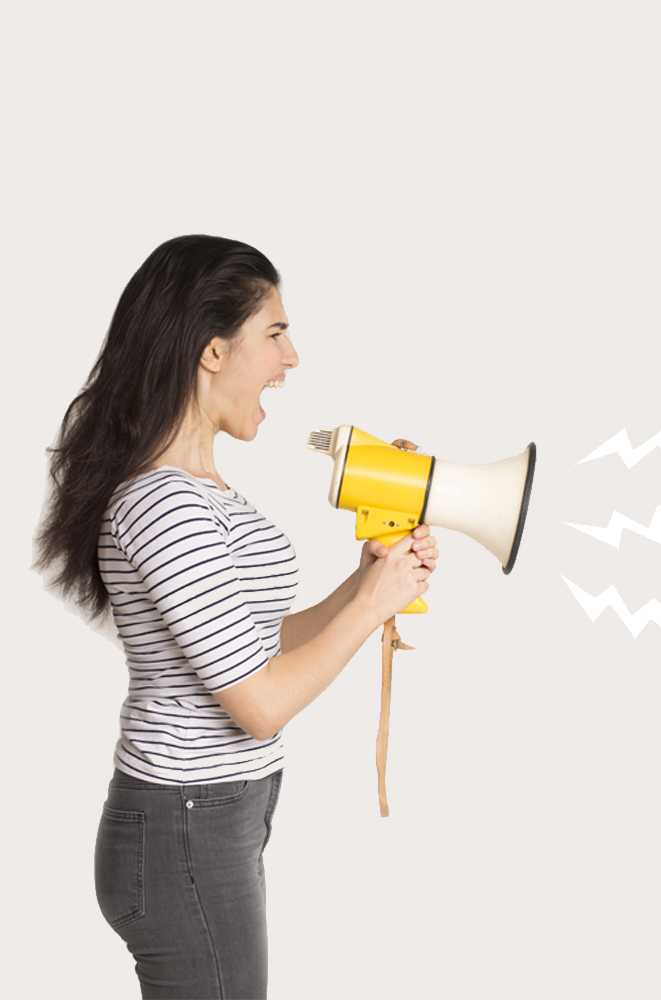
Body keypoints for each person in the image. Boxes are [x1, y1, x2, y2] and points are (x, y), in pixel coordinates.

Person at [36, 234, 438, 999]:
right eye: (276, 333)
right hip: (185, 823)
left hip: (211, 818)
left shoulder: (202, 491)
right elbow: (258, 704)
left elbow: (257, 643)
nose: (292, 360)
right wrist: (376, 607)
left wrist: (365, 588)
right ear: (212, 350)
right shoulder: (161, 503)